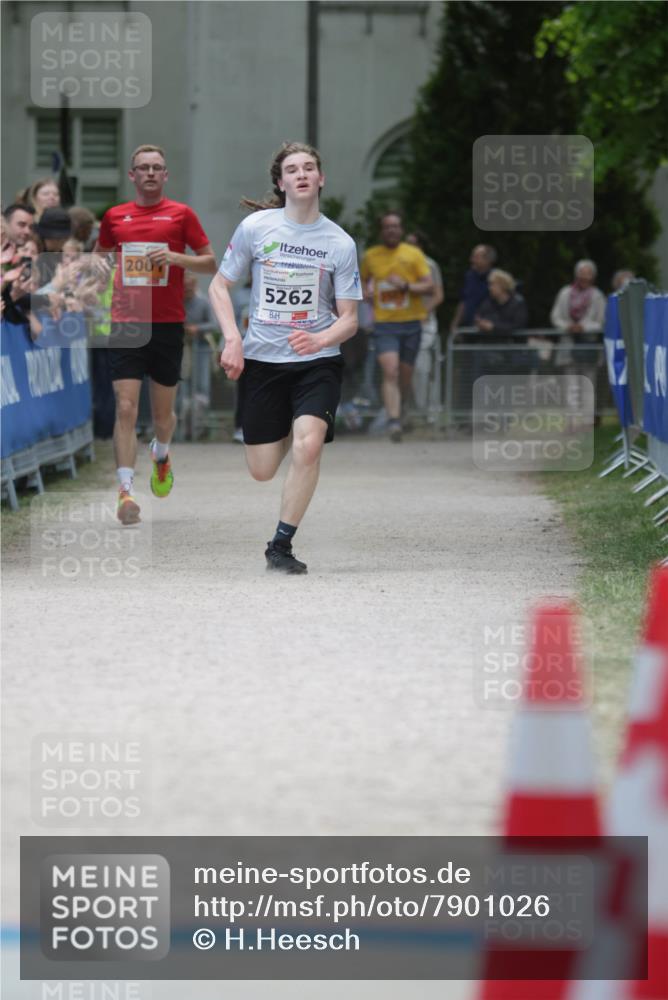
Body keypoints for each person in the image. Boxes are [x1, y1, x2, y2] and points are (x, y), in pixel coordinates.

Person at [208, 141, 361, 574]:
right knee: (261, 470)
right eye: (292, 169)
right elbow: (219, 286)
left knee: (308, 446)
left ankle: (280, 545)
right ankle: (286, 427)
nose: (301, 174)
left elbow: (350, 319)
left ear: (320, 178)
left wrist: (321, 338)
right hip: (263, 362)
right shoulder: (256, 228)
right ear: (281, 182)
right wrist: (232, 339)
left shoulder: (339, 242)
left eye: (309, 167)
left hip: (317, 362)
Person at [94, 144, 216, 525]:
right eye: (143, 167)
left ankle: (161, 454)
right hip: (126, 321)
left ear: (165, 175)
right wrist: (99, 268)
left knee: (163, 417)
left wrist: (175, 258)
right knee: (126, 407)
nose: (150, 173)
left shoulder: (181, 214)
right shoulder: (115, 216)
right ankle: (125, 491)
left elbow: (211, 262)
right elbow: (99, 257)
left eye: (156, 167)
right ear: (132, 175)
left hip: (166, 324)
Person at [360, 213, 433, 441]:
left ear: (401, 230)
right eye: (387, 226)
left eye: (395, 226)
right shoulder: (371, 256)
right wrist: (365, 292)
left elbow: (429, 286)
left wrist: (405, 286)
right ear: (381, 231)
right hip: (384, 324)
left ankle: (402, 409)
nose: (391, 230)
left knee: (405, 377)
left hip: (411, 323)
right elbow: (360, 281)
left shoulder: (413, 254)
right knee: (390, 370)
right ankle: (393, 421)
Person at [405, 230, 444, 416]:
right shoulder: (400, 264)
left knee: (423, 369)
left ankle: (430, 411)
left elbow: (438, 296)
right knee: (405, 369)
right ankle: (411, 410)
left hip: (423, 325)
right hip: (402, 323)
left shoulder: (429, 265)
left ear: (420, 246)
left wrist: (422, 313)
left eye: (412, 243)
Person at [450, 244, 497, 332]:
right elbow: (463, 301)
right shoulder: (469, 276)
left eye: (476, 257)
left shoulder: (496, 279)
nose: (471, 260)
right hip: (468, 328)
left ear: (487, 260)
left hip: (488, 331)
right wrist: (455, 324)